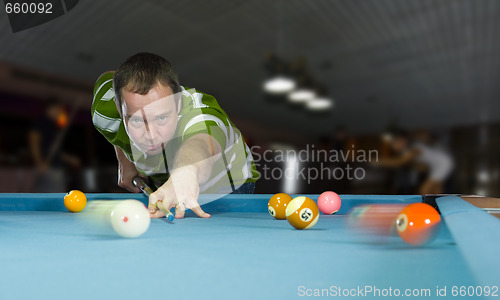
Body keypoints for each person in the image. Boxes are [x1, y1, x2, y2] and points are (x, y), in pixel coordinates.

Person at [91, 53, 258, 219]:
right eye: (136, 120)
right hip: (168, 180)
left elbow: (201, 144)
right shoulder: (103, 111)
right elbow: (108, 76)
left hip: (226, 182)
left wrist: (187, 171)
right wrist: (125, 160)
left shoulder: (199, 114)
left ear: (178, 104)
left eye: (162, 118)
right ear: (119, 109)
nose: (151, 135)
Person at [375, 130, 454, 195]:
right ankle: (436, 209)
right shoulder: (406, 150)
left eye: (395, 143)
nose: (394, 146)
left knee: (424, 190)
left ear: (403, 140)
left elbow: (400, 161)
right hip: (437, 165)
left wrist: (378, 162)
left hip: (442, 163)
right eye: (392, 144)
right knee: (436, 190)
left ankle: (427, 210)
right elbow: (418, 166)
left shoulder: (413, 148)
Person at [28, 99, 80, 192]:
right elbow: (33, 142)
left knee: (48, 197)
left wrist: (70, 159)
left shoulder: (53, 126)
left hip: (54, 169)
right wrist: (39, 162)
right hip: (47, 168)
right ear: (51, 109)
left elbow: (56, 152)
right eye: (58, 109)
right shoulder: (41, 123)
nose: (60, 112)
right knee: (52, 198)